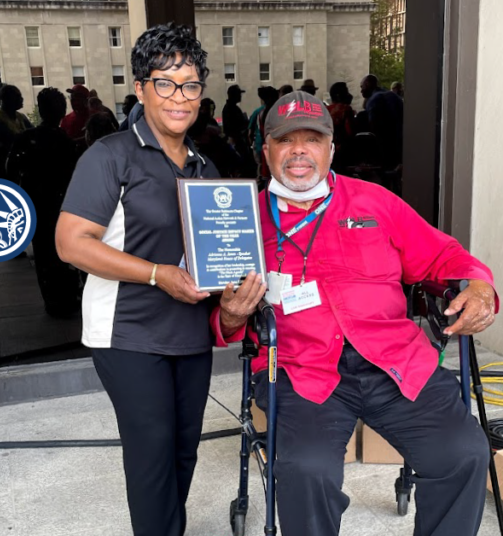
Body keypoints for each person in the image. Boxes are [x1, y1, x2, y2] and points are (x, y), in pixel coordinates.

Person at [219, 90, 497, 536]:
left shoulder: (374, 202)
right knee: (307, 472)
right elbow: (221, 320)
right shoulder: (240, 219)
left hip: (395, 361)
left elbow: (444, 255)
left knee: (463, 453)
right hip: (302, 371)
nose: (299, 152)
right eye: (286, 140)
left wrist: (480, 286)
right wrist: (231, 316)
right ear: (265, 148)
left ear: (331, 148)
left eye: (312, 140)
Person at [55, 24, 266, 536]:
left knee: (182, 453)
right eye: (165, 82)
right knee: (152, 457)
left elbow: (216, 253)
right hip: (127, 335)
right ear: (141, 88)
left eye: (190, 84)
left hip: (189, 334)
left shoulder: (205, 167)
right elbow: (71, 244)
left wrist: (235, 292)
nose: (179, 96)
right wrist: (156, 275)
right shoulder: (110, 156)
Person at [6, 87, 81, 318]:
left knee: (44, 254)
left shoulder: (26, 140)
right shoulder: (67, 143)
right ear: (61, 112)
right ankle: (67, 298)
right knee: (63, 254)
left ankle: (52, 301)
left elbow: (11, 171)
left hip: (36, 204)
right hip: (61, 206)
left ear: (40, 109)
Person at [361, 74, 404, 193]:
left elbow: (375, 126)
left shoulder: (375, 100)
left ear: (368, 85)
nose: (361, 91)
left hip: (386, 145)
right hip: (401, 142)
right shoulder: (392, 96)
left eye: (362, 87)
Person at [0, 85, 33, 178]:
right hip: (6, 169)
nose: (22, 99)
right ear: (7, 99)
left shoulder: (21, 117)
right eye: (18, 97)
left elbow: (33, 133)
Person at [223, 84, 254, 176]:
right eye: (238, 94)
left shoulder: (234, 108)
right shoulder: (230, 109)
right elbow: (230, 128)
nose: (240, 96)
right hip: (236, 143)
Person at [60, 84, 92, 153]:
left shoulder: (94, 117)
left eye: (77, 97)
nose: (73, 100)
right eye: (72, 97)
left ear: (85, 100)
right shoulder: (66, 119)